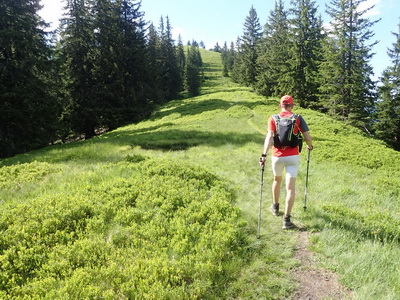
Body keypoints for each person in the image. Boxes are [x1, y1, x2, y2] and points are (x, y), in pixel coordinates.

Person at [260, 95, 313, 229]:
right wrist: (310, 146)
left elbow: (269, 137)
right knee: (290, 188)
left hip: (277, 156)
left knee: (277, 180)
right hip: (292, 157)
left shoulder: (273, 118)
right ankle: (287, 220)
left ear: (280, 106)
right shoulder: (297, 118)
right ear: (292, 105)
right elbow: (307, 136)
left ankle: (275, 207)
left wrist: (264, 154)